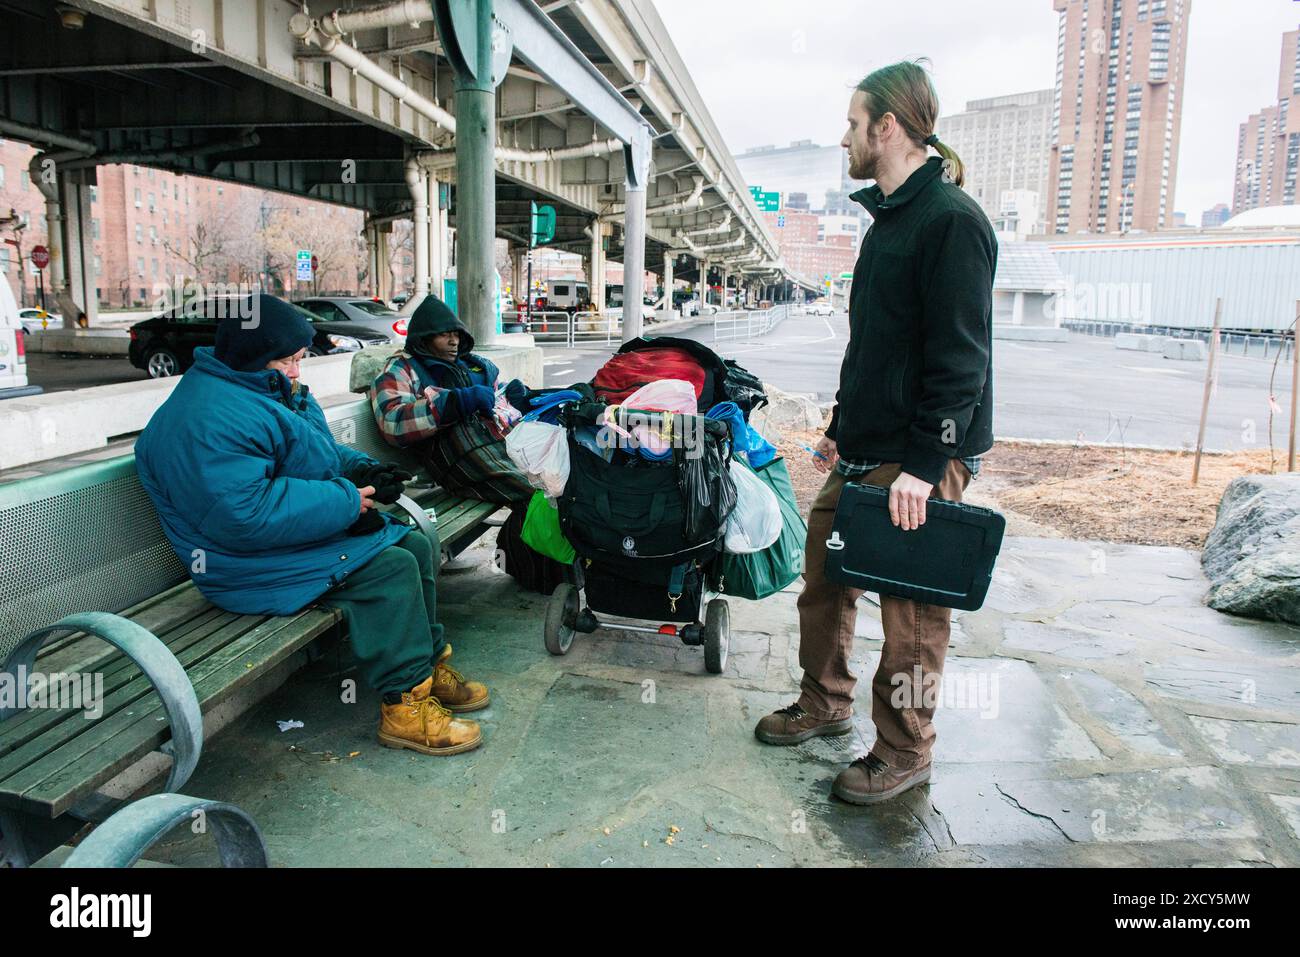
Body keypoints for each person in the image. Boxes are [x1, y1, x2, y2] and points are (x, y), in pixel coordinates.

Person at [754, 61, 996, 805]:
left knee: (913, 614)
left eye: (853, 124)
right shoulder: (890, 220)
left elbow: (962, 360)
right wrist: (838, 427)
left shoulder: (951, 221)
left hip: (920, 454)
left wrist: (926, 465)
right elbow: (875, 348)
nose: (844, 138)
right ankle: (826, 699)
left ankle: (906, 747)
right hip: (867, 443)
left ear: (887, 126)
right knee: (823, 570)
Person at [134, 294, 489, 757]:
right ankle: (405, 708)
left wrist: (363, 471)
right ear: (255, 355)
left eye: (301, 359)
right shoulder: (204, 419)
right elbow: (244, 515)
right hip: (239, 565)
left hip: (279, 545)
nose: (299, 372)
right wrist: (345, 502)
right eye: (291, 360)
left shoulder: (263, 388)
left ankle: (427, 666)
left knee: (414, 545)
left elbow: (314, 453)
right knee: (390, 570)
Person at [370, 295, 567, 594]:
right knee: (534, 495)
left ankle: (540, 565)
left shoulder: (470, 365)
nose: (453, 342)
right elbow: (393, 422)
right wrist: (452, 403)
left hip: (494, 445)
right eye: (444, 335)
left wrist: (517, 397)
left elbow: (497, 400)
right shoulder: (399, 370)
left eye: (457, 335)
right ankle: (532, 570)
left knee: (552, 485)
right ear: (424, 338)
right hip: (453, 458)